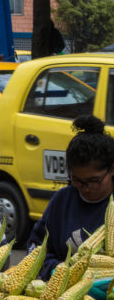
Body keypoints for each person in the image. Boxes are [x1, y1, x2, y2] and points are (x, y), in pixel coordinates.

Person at [27, 116, 114, 280]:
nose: (85, 188)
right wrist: (56, 272)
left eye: (93, 181)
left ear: (112, 170)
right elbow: (36, 247)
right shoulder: (62, 201)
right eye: (77, 180)